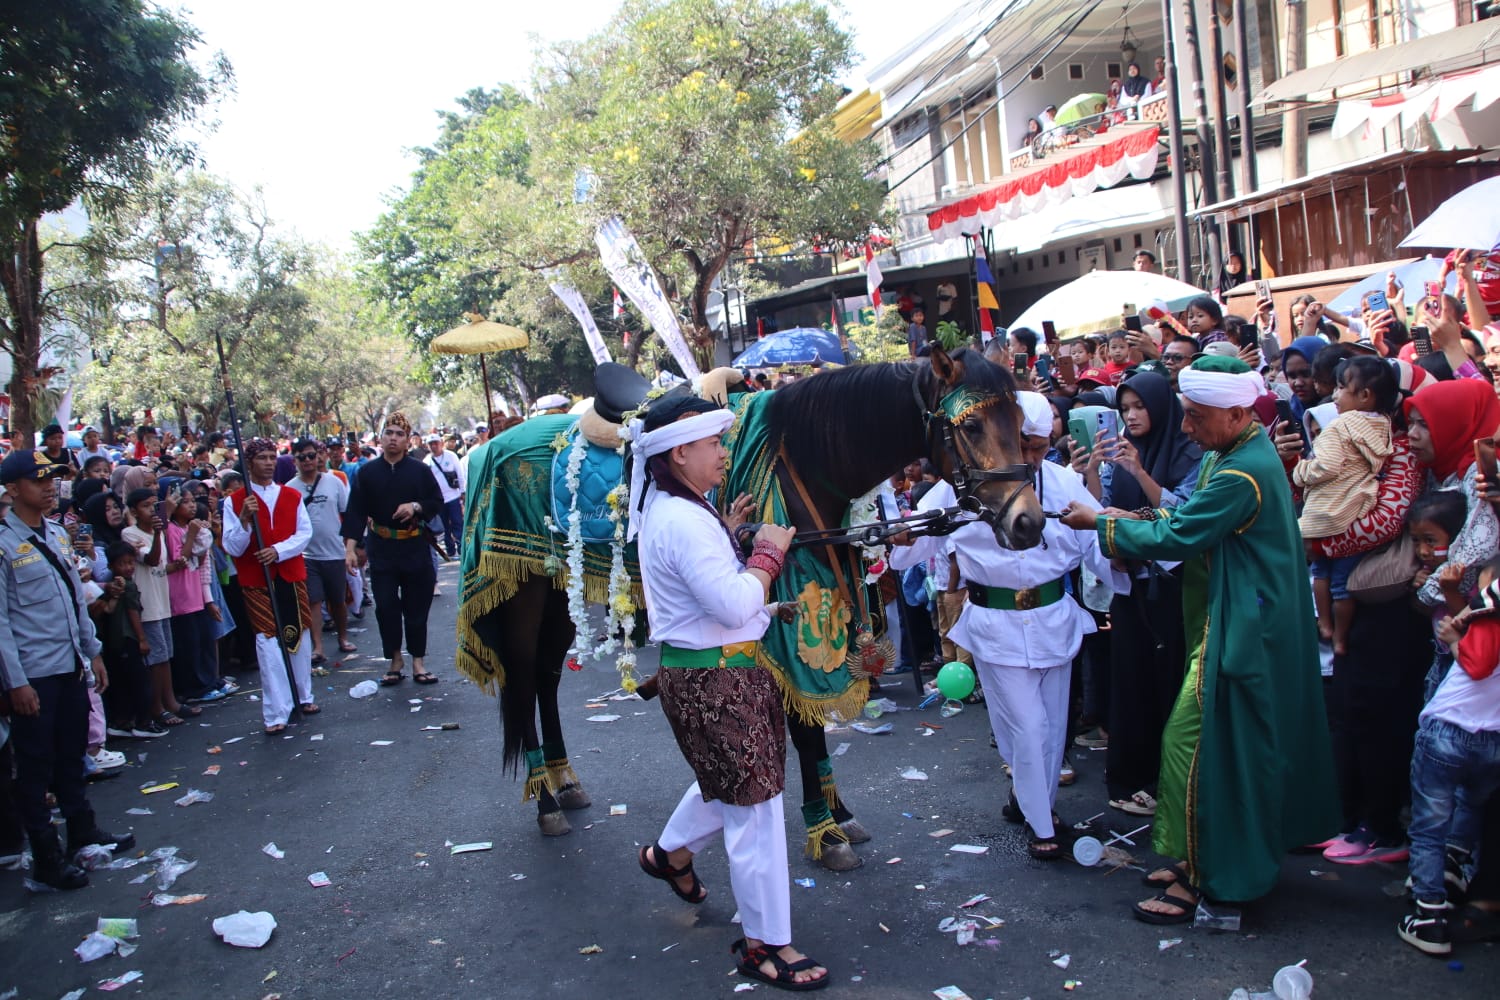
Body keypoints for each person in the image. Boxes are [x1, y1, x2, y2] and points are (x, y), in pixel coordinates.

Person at [1061, 356, 1340, 922]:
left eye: (1196, 417)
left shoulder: (1241, 470)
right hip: (1235, 618)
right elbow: (1183, 514)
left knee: (1194, 749)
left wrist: (1102, 524)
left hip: (1243, 631)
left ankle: (1213, 875)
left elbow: (1185, 531)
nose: (1185, 428)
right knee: (1209, 748)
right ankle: (1197, 859)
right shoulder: (1233, 450)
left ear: (1236, 413)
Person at [630, 394, 828, 991]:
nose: (722, 453)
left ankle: (667, 856)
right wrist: (768, 551)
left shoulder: (685, 510)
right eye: (713, 444)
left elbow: (725, 602)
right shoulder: (683, 520)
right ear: (680, 451)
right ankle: (766, 945)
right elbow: (734, 602)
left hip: (721, 672)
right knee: (756, 810)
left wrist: (739, 546)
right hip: (716, 681)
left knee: (732, 785)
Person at [893, 393, 1121, 860]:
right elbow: (909, 546)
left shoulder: (1065, 483)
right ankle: (1043, 825)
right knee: (1028, 726)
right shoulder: (960, 486)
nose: (1033, 458)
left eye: (1039, 447)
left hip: (1057, 621)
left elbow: (1101, 553)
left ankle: (1030, 802)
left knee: (1053, 729)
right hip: (995, 626)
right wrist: (903, 533)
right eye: (1024, 447)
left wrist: (1122, 533)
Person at [0, 448, 133, 890]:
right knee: (35, 768)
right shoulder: (2, 543)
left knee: (72, 755)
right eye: (37, 481)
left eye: (52, 479)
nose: (48, 487)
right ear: (13, 488)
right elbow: (1, 624)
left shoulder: (56, 533)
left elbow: (76, 601)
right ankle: (46, 856)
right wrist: (15, 682)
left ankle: (82, 832)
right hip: (33, 674)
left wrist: (91, 652)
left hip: (70, 665)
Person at [1076, 372, 1202, 816]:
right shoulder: (1118, 454)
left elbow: (1183, 516)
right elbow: (1098, 513)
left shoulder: (1190, 453)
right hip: (1130, 586)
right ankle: (1131, 779)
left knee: (1168, 682)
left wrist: (1140, 474)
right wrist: (1092, 472)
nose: (1132, 416)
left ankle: (1171, 785)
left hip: (1172, 589)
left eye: (1139, 407)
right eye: (1125, 409)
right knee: (1131, 680)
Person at [1401, 561, 1500, 955]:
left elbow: (1477, 665)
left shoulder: (1488, 621)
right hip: (1493, 736)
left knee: (1429, 827)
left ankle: (1428, 916)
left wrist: (1454, 637)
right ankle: (1453, 870)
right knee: (1470, 805)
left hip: (1448, 729)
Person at [1293, 356, 1397, 655]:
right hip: (1357, 509)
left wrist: (1300, 471)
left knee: (1323, 574)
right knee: (1343, 582)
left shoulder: (1339, 427)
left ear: (1364, 395)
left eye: (1340, 387)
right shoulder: (1383, 425)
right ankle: (1340, 638)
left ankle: (1326, 626)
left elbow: (1325, 466)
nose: (1334, 395)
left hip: (1327, 510)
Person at [222, 438, 318, 734]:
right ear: (249, 462)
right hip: (256, 580)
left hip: (289, 573)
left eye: (271, 457)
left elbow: (304, 533)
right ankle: (277, 710)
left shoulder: (291, 495)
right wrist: (244, 520)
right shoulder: (235, 501)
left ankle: (304, 695)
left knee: (298, 634)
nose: (267, 462)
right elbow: (233, 546)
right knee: (267, 642)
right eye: (261, 457)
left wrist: (279, 550)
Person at [343, 413, 443, 687]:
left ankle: (418, 662)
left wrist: (416, 507)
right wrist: (351, 549)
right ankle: (395, 660)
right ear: (381, 437)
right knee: (385, 607)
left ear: (408, 440)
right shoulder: (367, 472)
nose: (393, 438)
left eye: (399, 434)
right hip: (382, 550)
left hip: (414, 547)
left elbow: (436, 501)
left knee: (416, 609)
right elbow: (355, 512)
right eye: (389, 433)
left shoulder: (420, 471)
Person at [291, 438, 354, 664]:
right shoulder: (290, 489)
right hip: (306, 555)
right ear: (295, 460)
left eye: (311, 455)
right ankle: (318, 647)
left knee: (337, 601)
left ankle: (343, 638)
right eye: (302, 457)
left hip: (335, 552)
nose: (308, 461)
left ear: (318, 456)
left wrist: (352, 549)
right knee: (313, 601)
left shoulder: (334, 481)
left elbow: (347, 515)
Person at [425, 432, 466, 559]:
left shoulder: (451, 456)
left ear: (441, 444)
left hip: (453, 496)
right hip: (439, 500)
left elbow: (459, 473)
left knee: (457, 522)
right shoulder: (427, 461)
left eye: (436, 443)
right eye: (431, 444)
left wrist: (463, 491)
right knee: (445, 526)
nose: (434, 446)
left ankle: (462, 547)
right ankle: (450, 550)